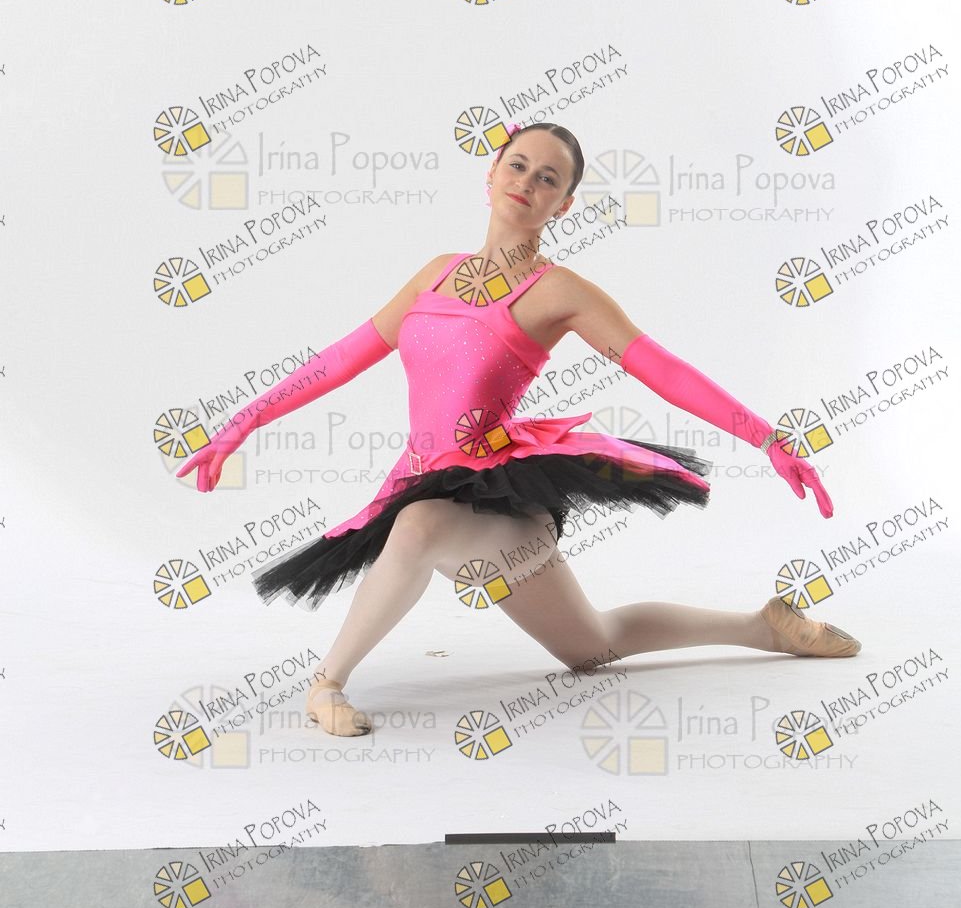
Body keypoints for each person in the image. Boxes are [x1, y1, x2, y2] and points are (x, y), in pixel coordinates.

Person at [176, 121, 861, 737]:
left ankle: (325, 685)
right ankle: (764, 627)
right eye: (518, 165)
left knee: (418, 527)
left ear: (564, 204)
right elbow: (341, 358)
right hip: (422, 478)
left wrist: (766, 437)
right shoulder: (435, 274)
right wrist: (243, 421)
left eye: (548, 178)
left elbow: (660, 368)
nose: (528, 182)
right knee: (591, 646)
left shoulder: (559, 291)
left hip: (495, 495)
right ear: (492, 175)